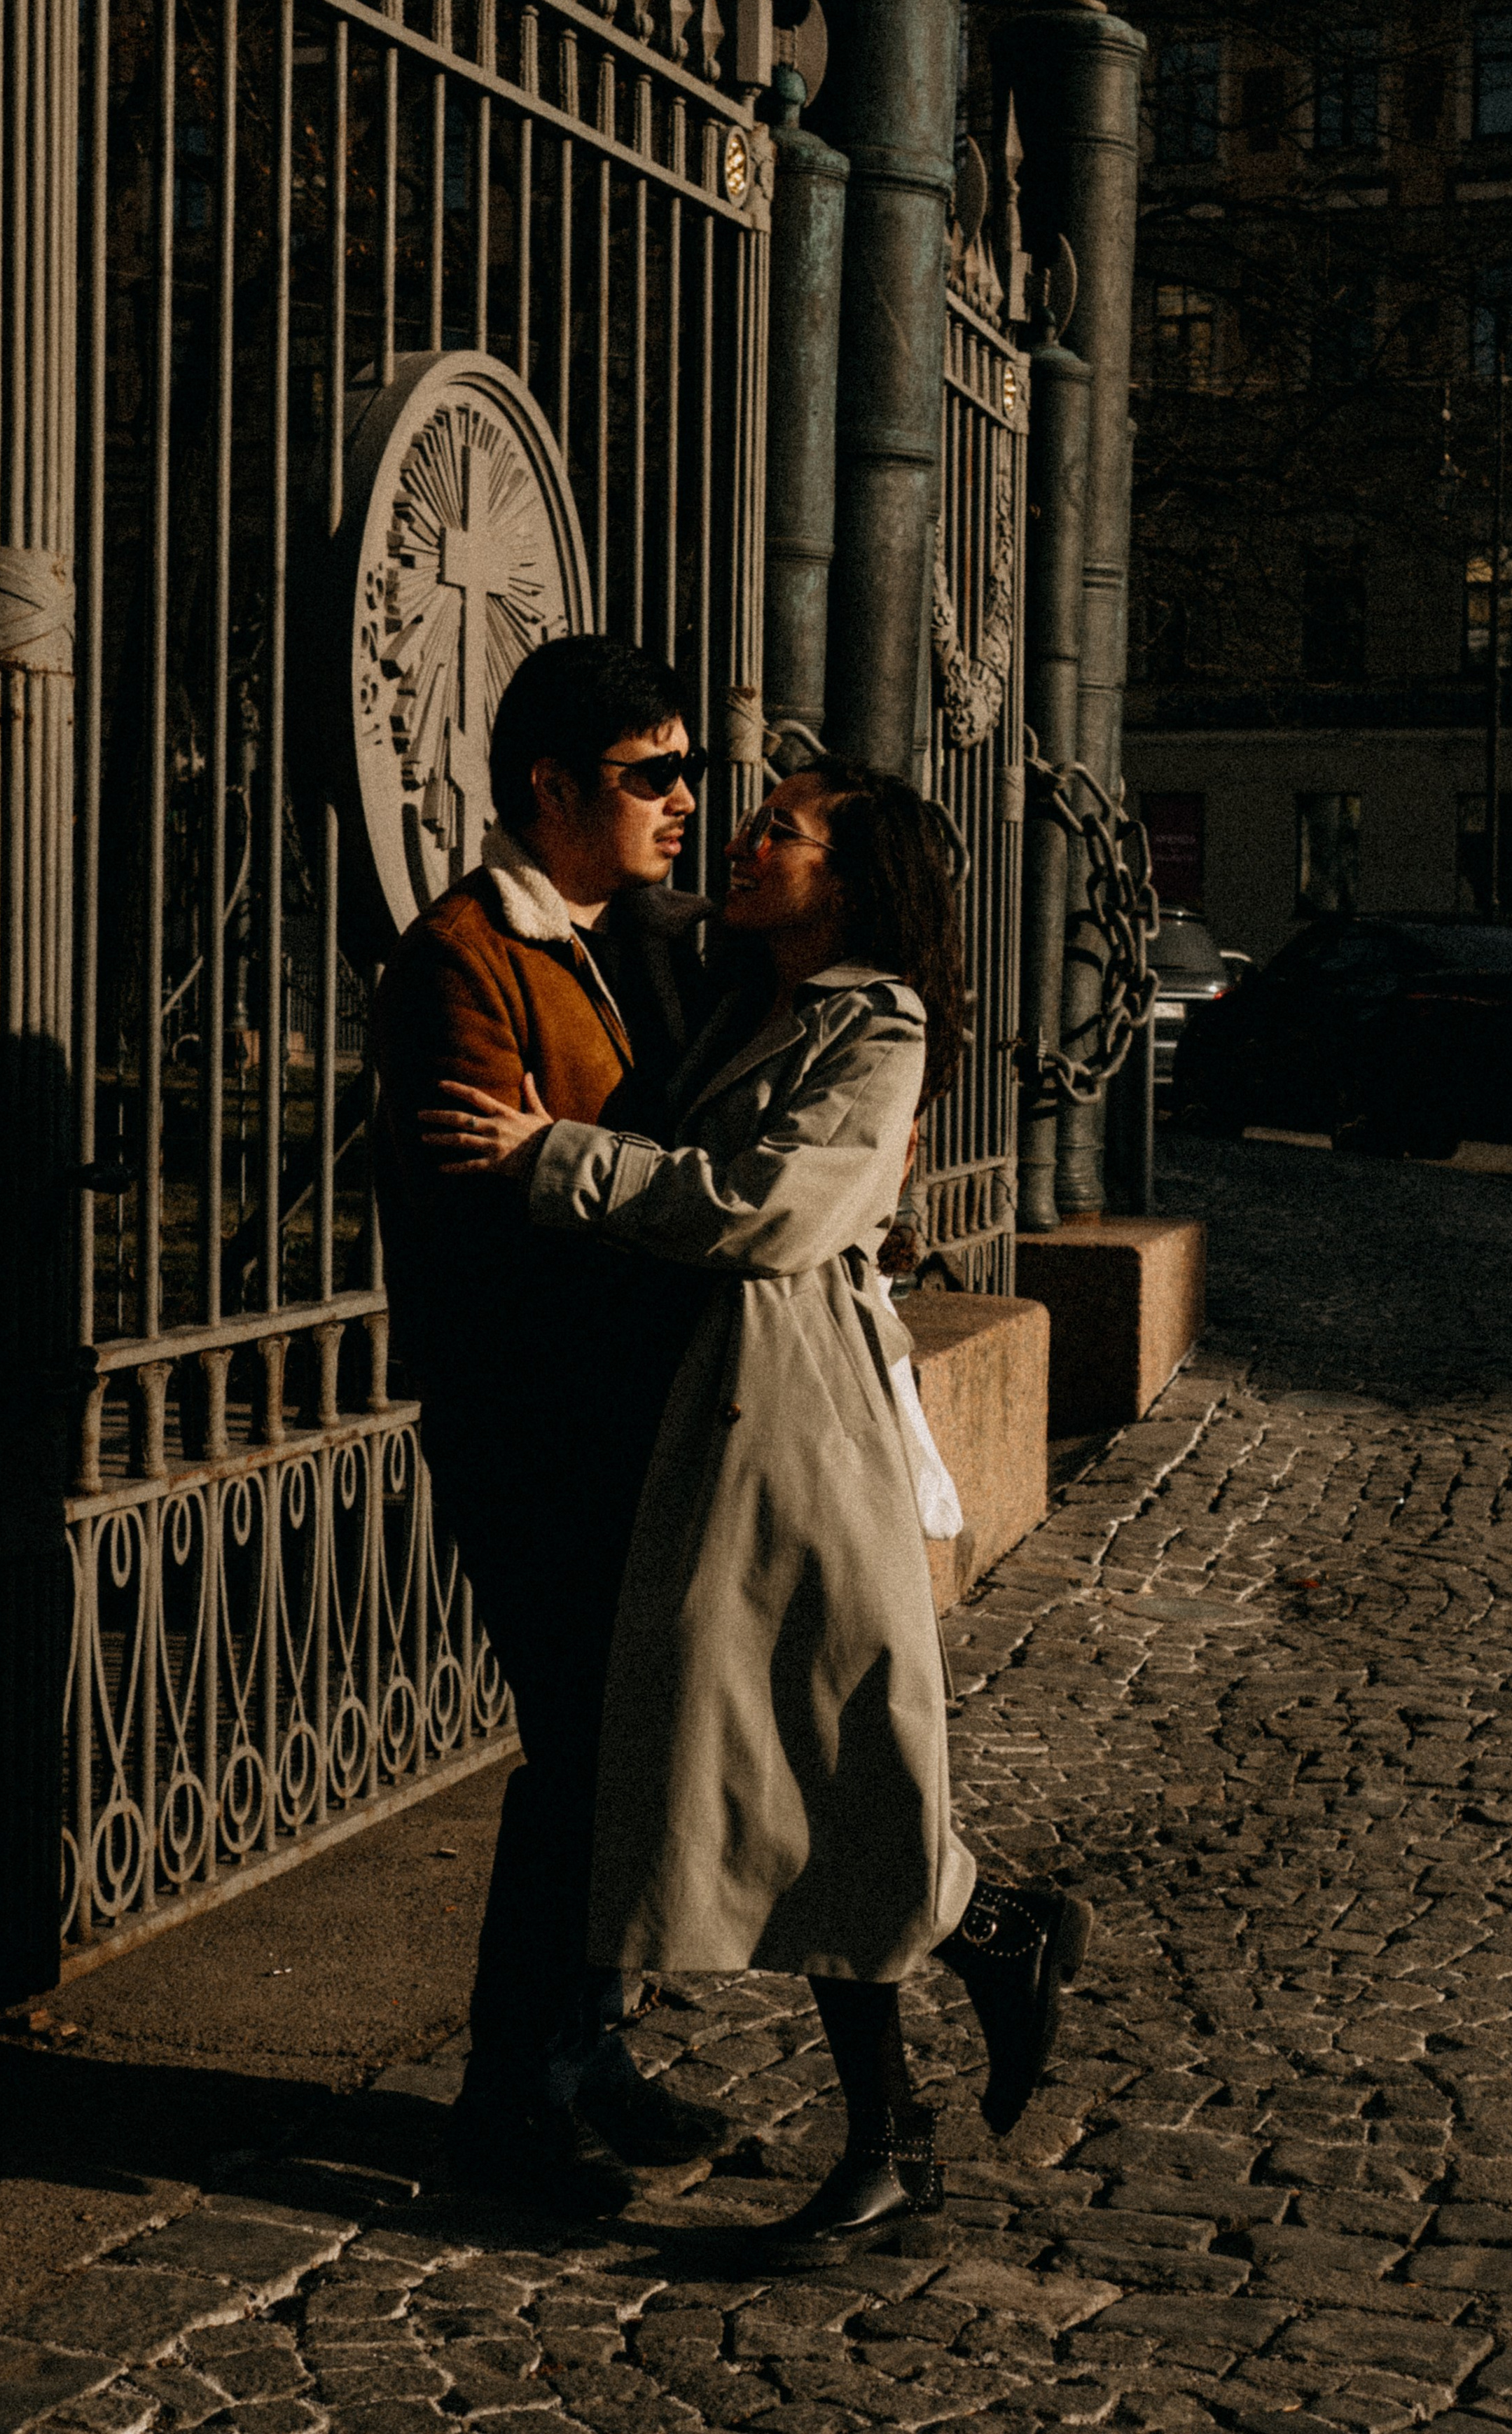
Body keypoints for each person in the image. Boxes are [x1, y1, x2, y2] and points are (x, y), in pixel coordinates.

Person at [421, 759, 1093, 2260]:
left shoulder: (878, 1023)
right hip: (718, 1426)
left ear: (845, 880)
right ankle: (978, 1965)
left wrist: (554, 1158)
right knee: (803, 1765)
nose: (738, 841)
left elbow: (771, 1210)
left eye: (775, 834)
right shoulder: (743, 991)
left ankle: (909, 2111)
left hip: (798, 1430)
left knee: (826, 1755)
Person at [372, 634, 734, 2214]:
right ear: (548, 787)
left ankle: (587, 2048)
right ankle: (507, 2099)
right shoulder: (465, 955)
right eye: (651, 775)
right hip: (533, 1417)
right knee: (575, 1750)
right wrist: (652, 1205)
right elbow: (482, 1203)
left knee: (630, 1749)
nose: (683, 802)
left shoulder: (648, 938)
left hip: (647, 1407)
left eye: (687, 773)